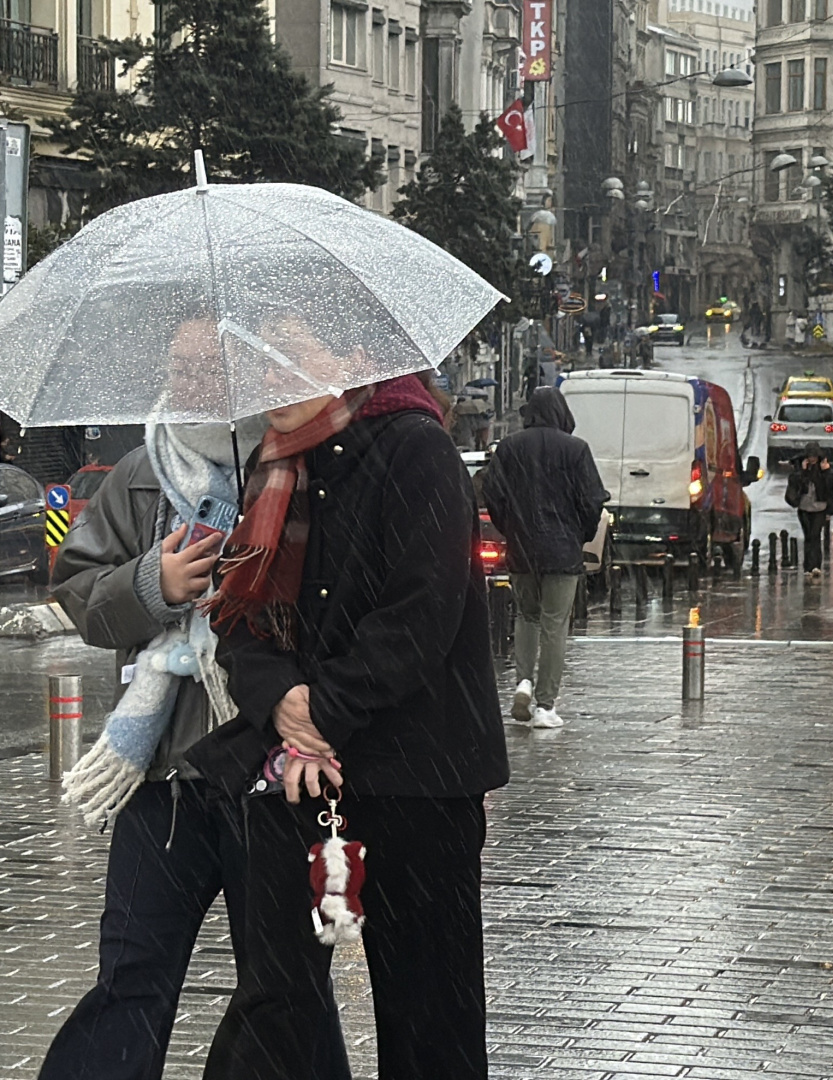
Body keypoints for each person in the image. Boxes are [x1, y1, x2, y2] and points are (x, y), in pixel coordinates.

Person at [43, 328, 350, 1080]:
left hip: (269, 776)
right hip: (165, 779)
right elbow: (77, 589)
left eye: (204, 367)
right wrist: (154, 584)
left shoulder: (292, 469)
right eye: (176, 366)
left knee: (289, 990)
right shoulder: (142, 474)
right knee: (130, 980)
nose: (186, 380)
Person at [189, 369, 510, 1080]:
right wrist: (282, 705)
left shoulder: (417, 448)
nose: (270, 377)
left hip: (418, 785)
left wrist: (320, 713)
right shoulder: (277, 462)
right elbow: (238, 621)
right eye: (260, 359)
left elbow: (420, 616)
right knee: (276, 1000)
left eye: (288, 354)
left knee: (429, 1015)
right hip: (305, 789)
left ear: (348, 354)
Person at [483, 386, 608, 729]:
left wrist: (511, 527)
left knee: (526, 616)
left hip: (523, 548)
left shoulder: (510, 448)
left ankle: (522, 680)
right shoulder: (575, 449)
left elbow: (492, 493)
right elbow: (593, 500)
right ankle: (545, 705)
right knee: (555, 624)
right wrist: (578, 532)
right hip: (562, 550)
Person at [782, 445, 833, 577]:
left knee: (815, 536)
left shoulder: (824, 469)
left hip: (820, 508)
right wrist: (802, 471)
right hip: (804, 508)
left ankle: (816, 566)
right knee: (808, 537)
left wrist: (826, 471)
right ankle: (808, 567)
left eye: (814, 457)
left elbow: (831, 486)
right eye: (810, 457)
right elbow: (794, 484)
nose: (812, 459)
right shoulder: (801, 468)